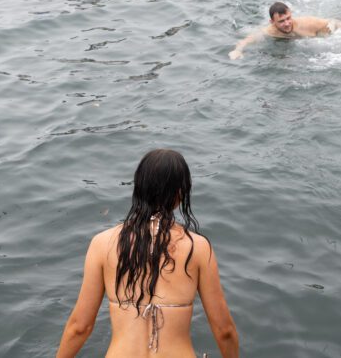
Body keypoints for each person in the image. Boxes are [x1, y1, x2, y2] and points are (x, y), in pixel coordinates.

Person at [56, 148, 239, 358]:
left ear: (138, 187)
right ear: (181, 192)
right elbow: (224, 331)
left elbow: (80, 327)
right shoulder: (198, 248)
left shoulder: (102, 244)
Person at [228, 1, 341, 59]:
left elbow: (335, 23)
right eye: (281, 21)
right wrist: (238, 51)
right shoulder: (268, 31)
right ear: (272, 22)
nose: (287, 23)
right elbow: (245, 41)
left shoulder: (308, 23)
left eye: (288, 18)